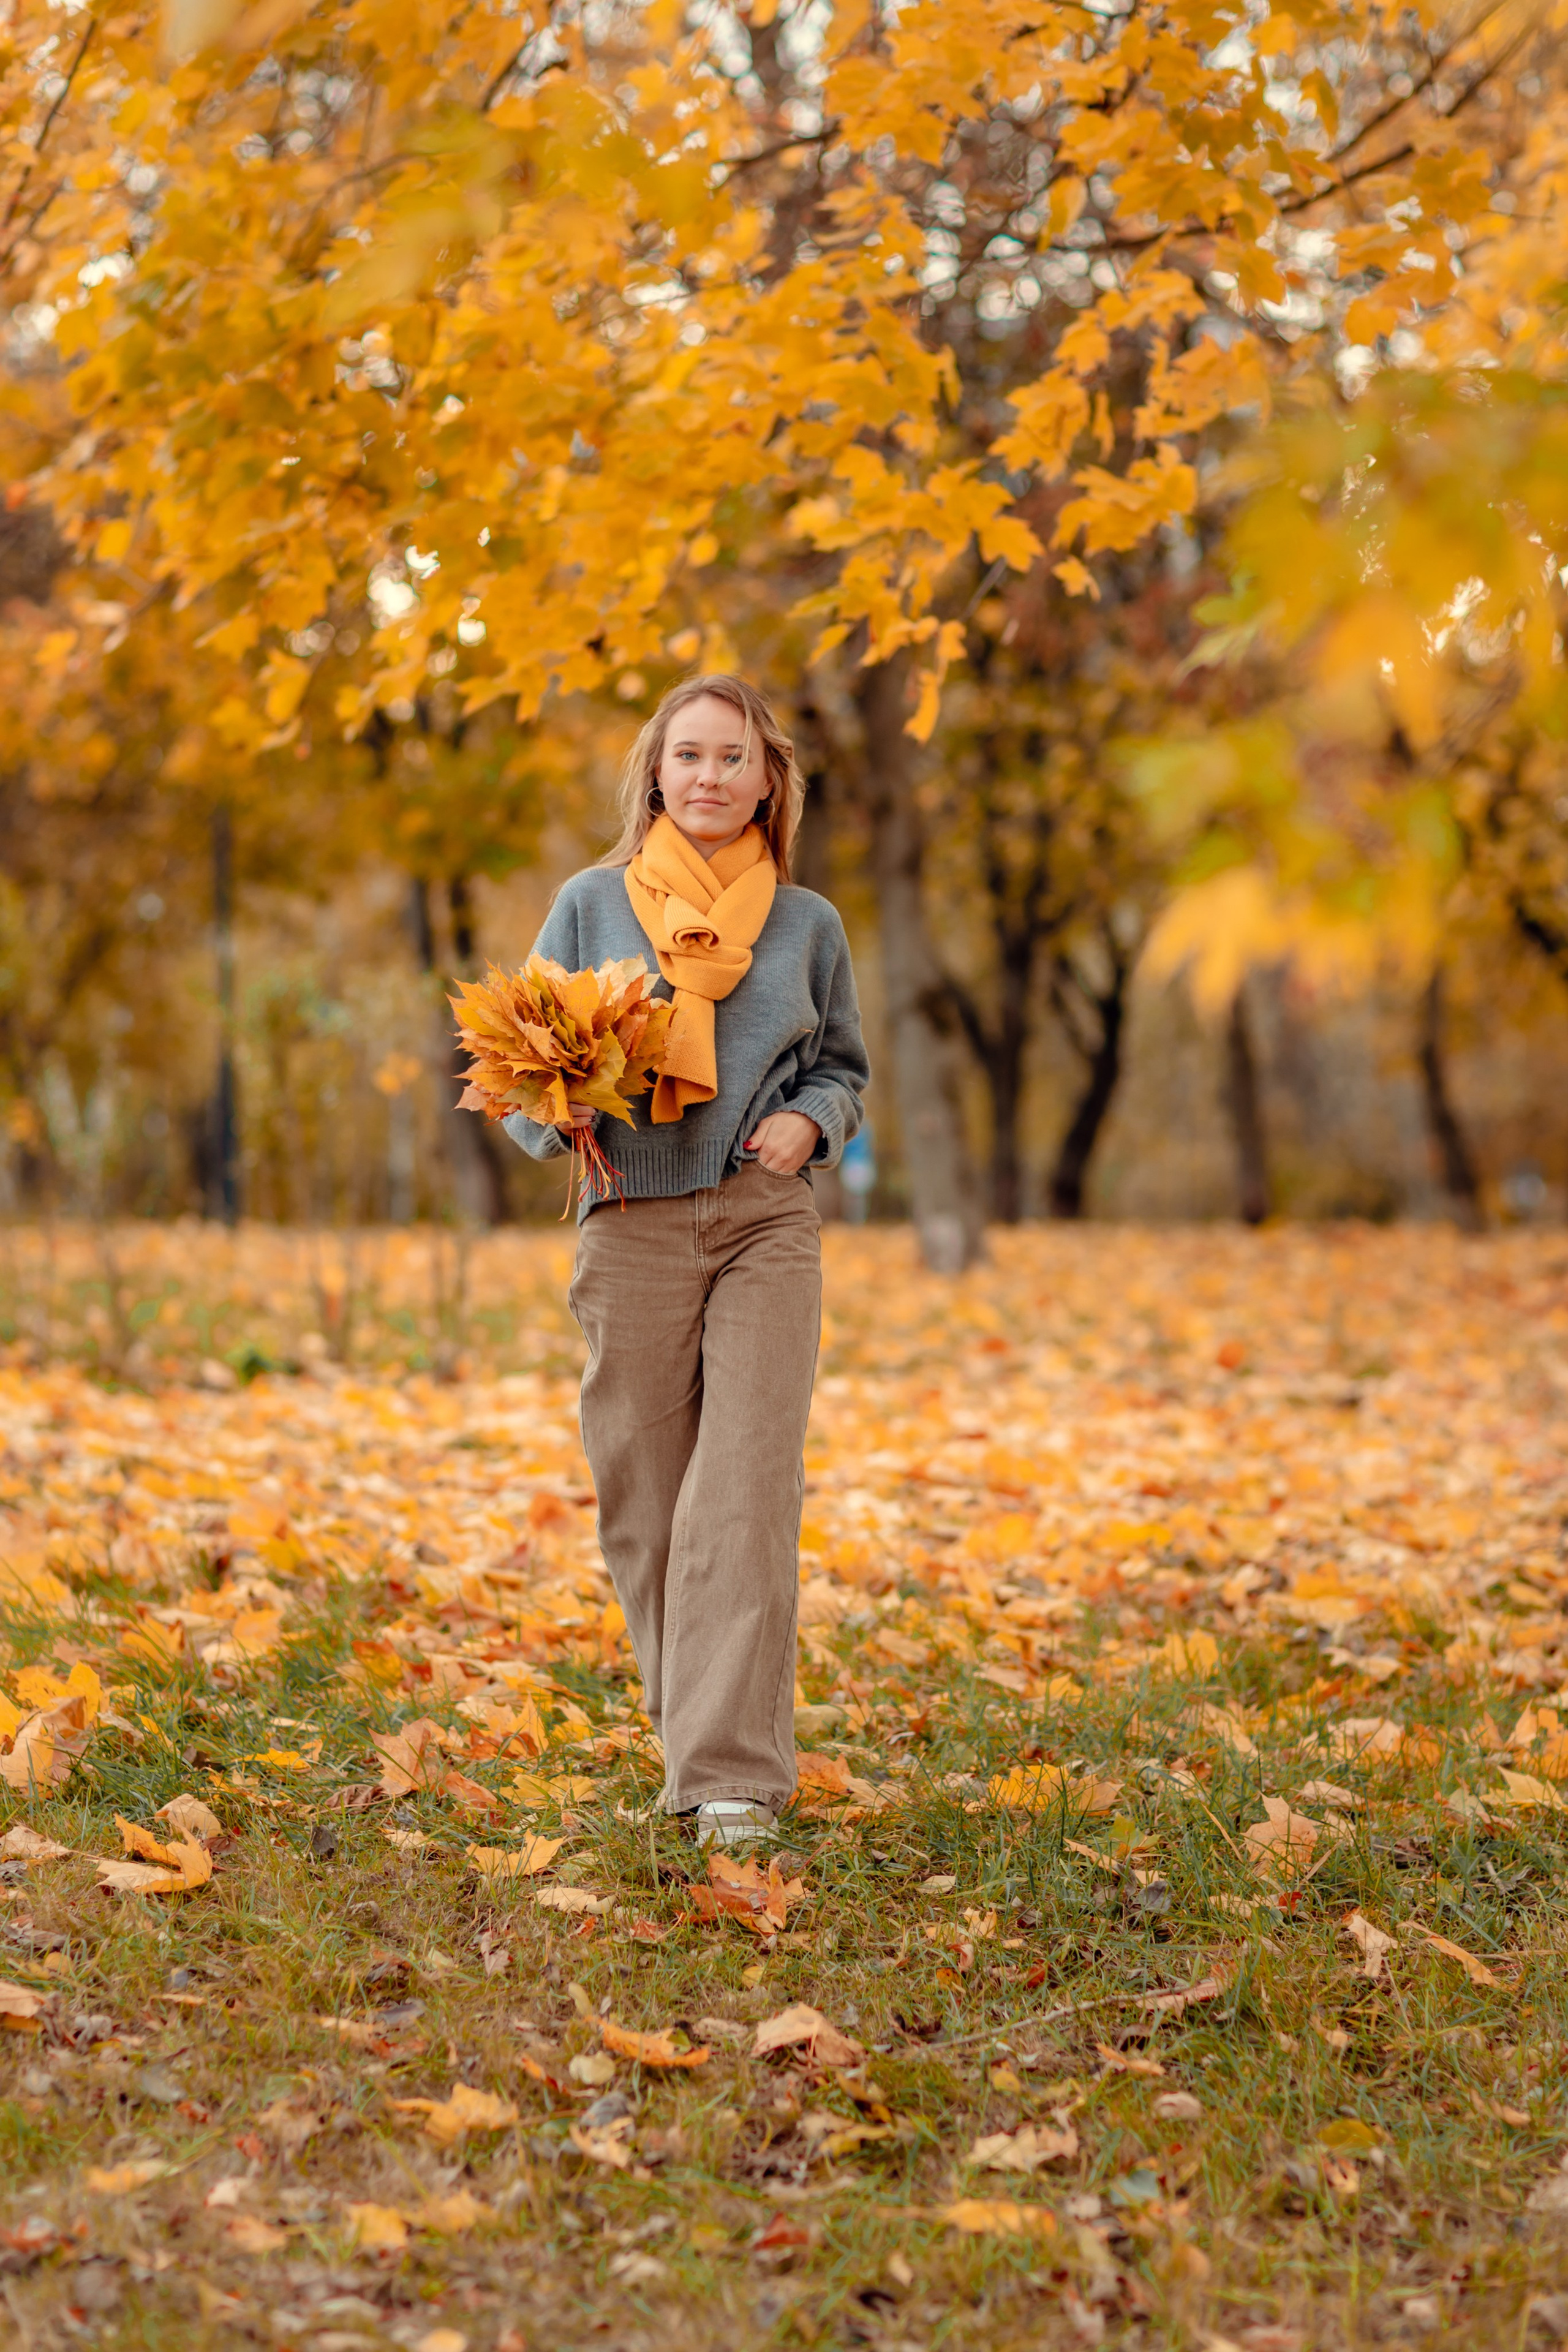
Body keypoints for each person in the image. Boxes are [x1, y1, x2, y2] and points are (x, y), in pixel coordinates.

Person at [503, 675, 870, 1848]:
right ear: (655, 771)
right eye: (688, 756)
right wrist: (554, 1112)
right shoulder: (589, 904)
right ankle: (692, 1714)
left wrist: (814, 1122)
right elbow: (522, 1062)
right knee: (648, 1504)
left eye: (733, 759)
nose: (709, 777)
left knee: (745, 1489)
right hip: (631, 1223)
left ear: (769, 779)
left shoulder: (807, 924)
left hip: (766, 1217)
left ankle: (730, 1776)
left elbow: (846, 1070)